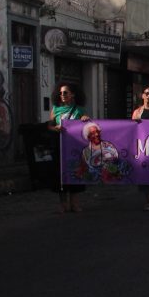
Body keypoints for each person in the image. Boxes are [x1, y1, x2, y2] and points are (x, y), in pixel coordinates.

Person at [48, 83, 90, 213]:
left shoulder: (79, 110)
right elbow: (49, 126)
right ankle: (63, 204)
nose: (62, 95)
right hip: (59, 146)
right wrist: (56, 128)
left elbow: (87, 127)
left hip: (74, 147)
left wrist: (85, 119)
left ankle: (74, 203)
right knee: (60, 175)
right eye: (60, 93)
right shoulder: (55, 109)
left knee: (75, 172)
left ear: (73, 94)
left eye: (65, 93)